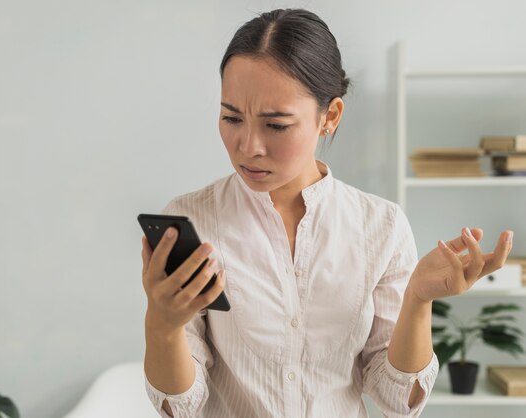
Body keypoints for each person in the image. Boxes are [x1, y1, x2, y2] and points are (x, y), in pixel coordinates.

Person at [140, 8, 514, 418]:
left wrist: (418, 300)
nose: (248, 146)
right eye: (231, 117)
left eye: (276, 125)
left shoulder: (381, 227)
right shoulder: (192, 220)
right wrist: (164, 323)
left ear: (330, 117)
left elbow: (398, 401)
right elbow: (178, 408)